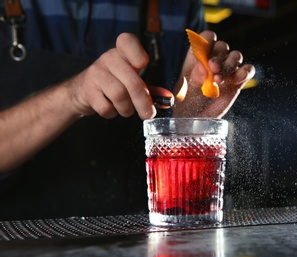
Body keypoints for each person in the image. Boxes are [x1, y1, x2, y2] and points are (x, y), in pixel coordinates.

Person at [0, 0, 255, 220]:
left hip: (137, 237)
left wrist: (187, 123)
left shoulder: (177, 6)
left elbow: (174, 129)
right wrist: (72, 96)